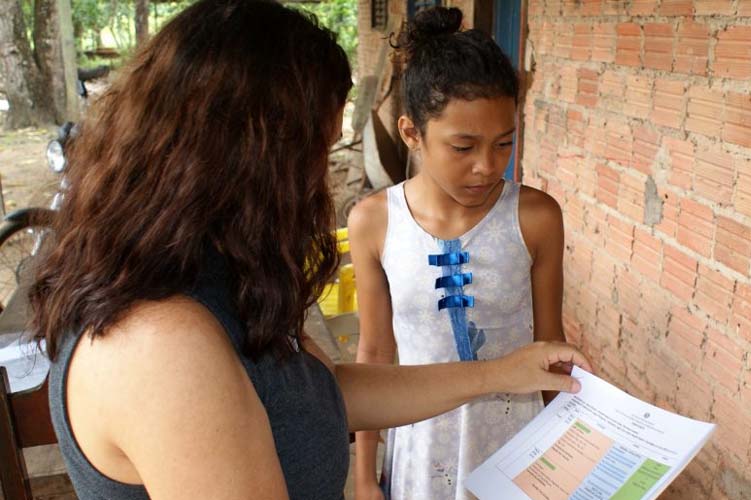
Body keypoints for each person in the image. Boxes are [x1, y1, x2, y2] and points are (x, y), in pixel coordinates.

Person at [27, 1, 590, 499]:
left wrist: (499, 373)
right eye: (312, 156)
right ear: (244, 160)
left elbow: (321, 393)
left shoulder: (215, 273)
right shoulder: (161, 345)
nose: (317, 183)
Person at [349, 7, 571, 500]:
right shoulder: (373, 222)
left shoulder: (535, 217)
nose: (487, 166)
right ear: (412, 134)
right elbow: (375, 354)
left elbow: (551, 347)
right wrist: (364, 477)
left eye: (504, 143)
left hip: (516, 445)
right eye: (463, 146)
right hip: (420, 443)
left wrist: (568, 466)